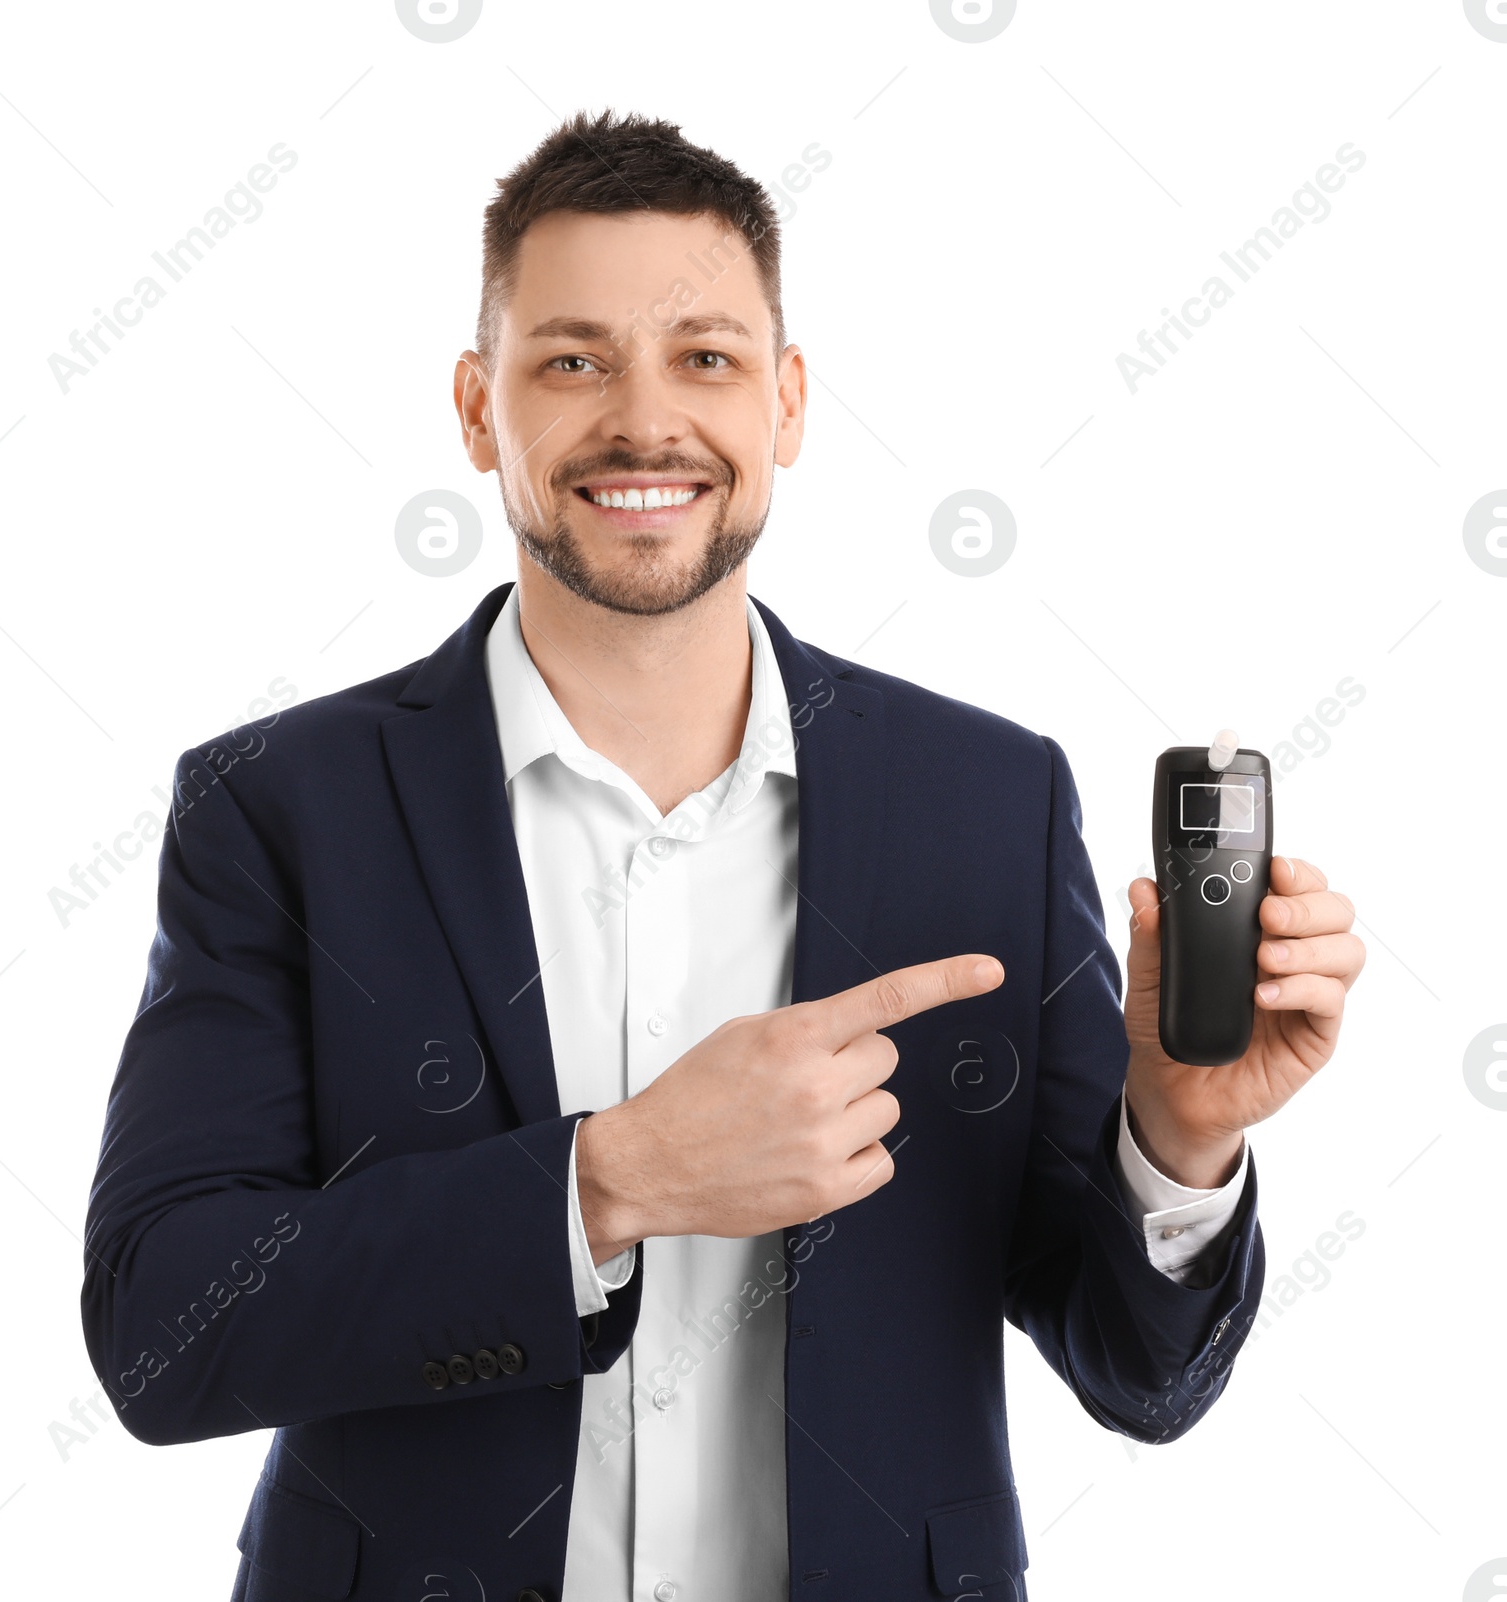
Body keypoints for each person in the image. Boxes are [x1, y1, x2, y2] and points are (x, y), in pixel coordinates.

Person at [81, 110, 1364, 1602]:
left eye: (705, 356)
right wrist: (605, 1181)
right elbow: (161, 1324)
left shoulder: (984, 801)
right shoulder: (281, 805)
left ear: (788, 402)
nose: (644, 420)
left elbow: (1143, 1382)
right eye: (572, 360)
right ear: (478, 409)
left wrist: (1182, 1135)